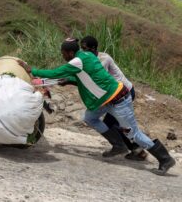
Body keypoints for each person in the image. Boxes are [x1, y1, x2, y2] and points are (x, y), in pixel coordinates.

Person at [18, 38, 176, 175]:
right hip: (106, 100)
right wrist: (69, 80)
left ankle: (165, 159)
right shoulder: (86, 55)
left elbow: (55, 73)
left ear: (70, 53)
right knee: (90, 117)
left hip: (118, 101)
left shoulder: (77, 61)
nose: (62, 55)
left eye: (63, 53)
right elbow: (84, 75)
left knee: (133, 134)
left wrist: (32, 70)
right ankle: (118, 145)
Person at [78, 36, 147, 161]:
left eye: (85, 49)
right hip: (115, 94)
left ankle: (131, 148)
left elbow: (96, 80)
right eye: (81, 49)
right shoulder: (90, 59)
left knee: (113, 124)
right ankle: (135, 149)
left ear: (93, 48)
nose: (83, 52)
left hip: (124, 92)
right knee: (116, 124)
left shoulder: (103, 59)